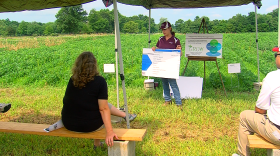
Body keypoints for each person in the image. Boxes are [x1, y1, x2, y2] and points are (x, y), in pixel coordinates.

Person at [46, 52, 137, 148]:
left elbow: (68, 101)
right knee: (104, 108)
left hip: (68, 123)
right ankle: (98, 142)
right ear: (94, 65)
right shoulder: (100, 81)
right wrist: (110, 132)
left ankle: (125, 116)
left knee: (103, 106)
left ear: (78, 65)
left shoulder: (72, 79)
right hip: (89, 126)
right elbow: (103, 109)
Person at [232, 52, 280, 156]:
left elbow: (260, 109)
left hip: (277, 134)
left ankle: (242, 154)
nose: (276, 57)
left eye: (277, 54)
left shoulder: (273, 77)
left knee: (245, 116)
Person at [152, 21, 182, 107]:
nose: (163, 31)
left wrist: (179, 50)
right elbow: (157, 49)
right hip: (162, 65)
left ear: (170, 28)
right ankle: (167, 100)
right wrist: (154, 48)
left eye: (165, 29)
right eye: (162, 30)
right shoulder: (160, 39)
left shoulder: (176, 40)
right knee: (164, 83)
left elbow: (180, 54)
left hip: (171, 66)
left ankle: (178, 103)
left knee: (173, 84)